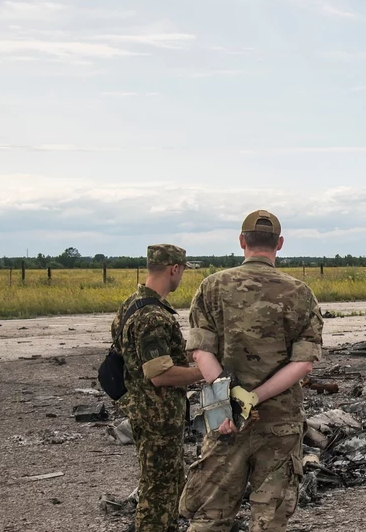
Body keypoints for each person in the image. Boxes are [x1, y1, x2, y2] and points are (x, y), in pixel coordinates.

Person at [179, 210, 323, 532]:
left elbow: (201, 351)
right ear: (280, 244)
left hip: (223, 416)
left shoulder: (211, 287)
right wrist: (253, 397)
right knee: (269, 520)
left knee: (209, 515)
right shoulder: (299, 293)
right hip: (279, 421)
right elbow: (303, 363)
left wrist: (226, 400)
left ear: (242, 241)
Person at [111, 243, 205, 532]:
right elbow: (159, 374)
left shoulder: (132, 304)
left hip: (146, 411)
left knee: (170, 482)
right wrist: (202, 372)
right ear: (173, 269)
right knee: (158, 492)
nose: (182, 277)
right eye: (182, 271)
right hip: (157, 416)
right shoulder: (153, 316)